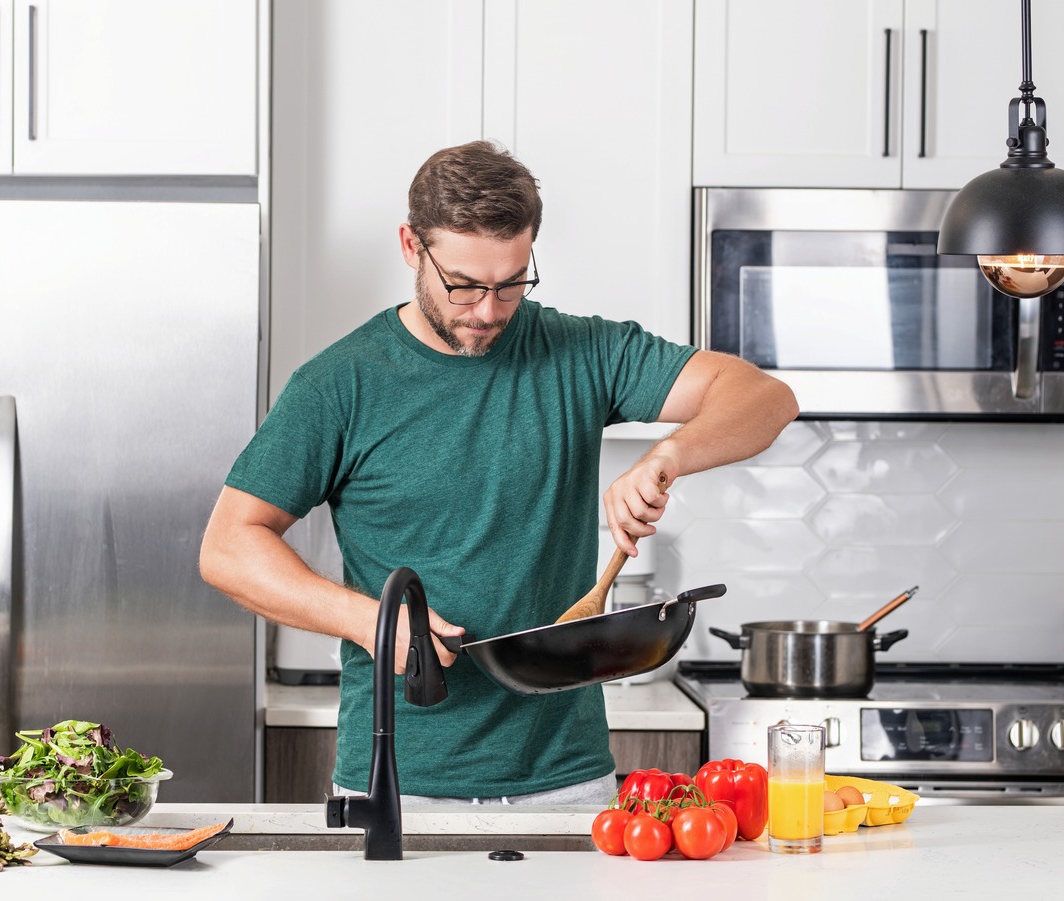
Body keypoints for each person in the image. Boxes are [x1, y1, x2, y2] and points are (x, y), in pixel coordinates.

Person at [199, 140, 798, 804]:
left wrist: (670, 454)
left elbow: (766, 399)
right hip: (398, 784)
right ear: (410, 246)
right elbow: (228, 545)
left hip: (568, 783)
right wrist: (368, 619)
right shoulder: (341, 384)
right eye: (463, 285)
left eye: (511, 284)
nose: (487, 311)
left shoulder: (582, 352)